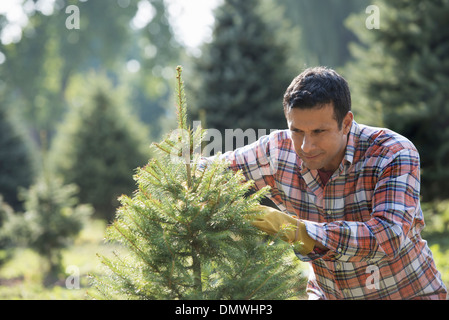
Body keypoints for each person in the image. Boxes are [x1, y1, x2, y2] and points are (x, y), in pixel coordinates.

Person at [202, 66, 447, 300]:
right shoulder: (276, 151)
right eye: (297, 131)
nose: (306, 147)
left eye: (319, 132)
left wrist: (298, 230)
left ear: (346, 123)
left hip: (407, 293)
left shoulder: (392, 152)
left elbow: (387, 236)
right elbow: (210, 171)